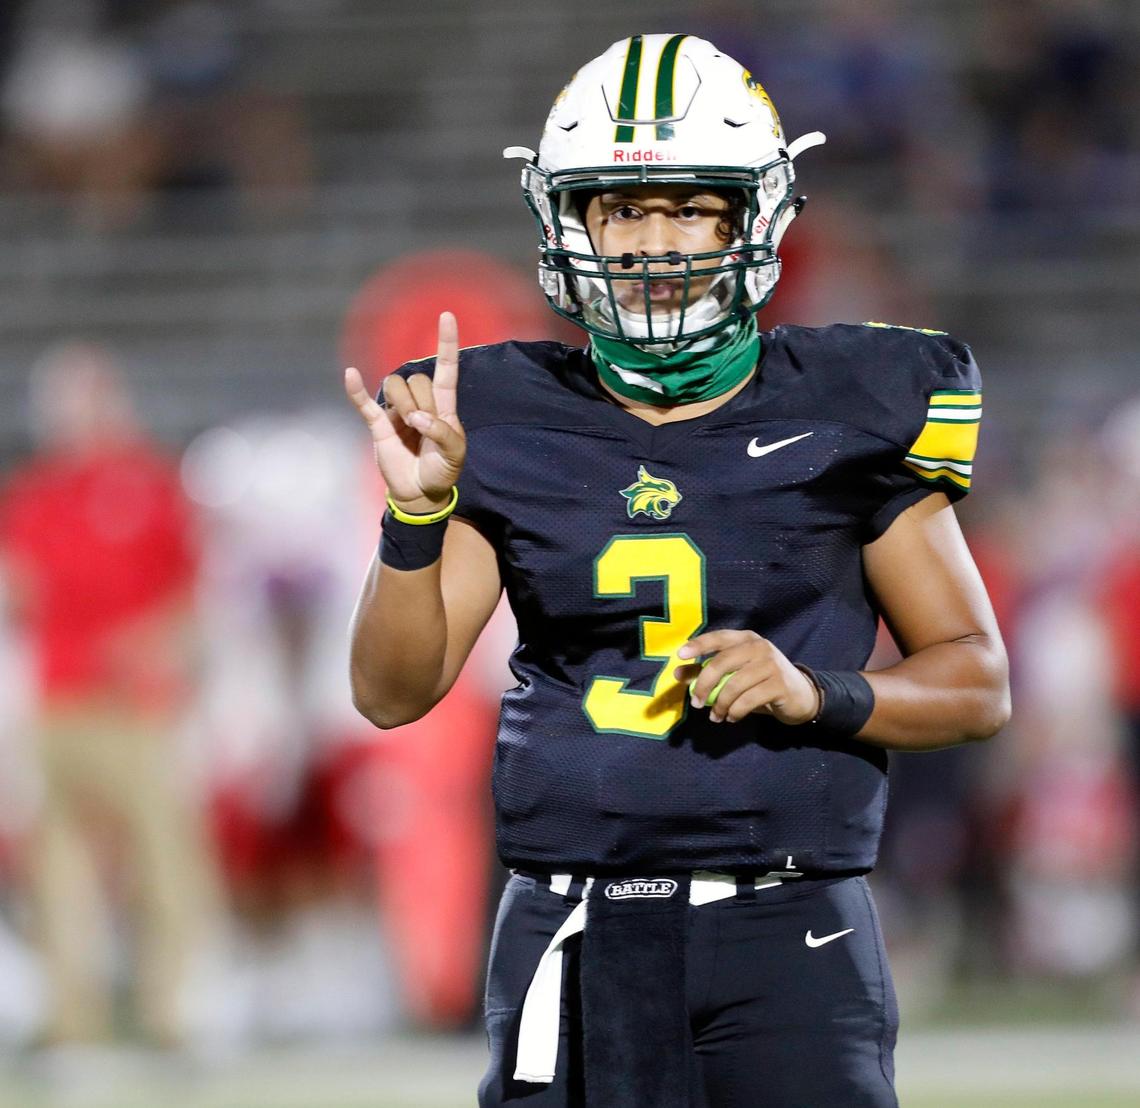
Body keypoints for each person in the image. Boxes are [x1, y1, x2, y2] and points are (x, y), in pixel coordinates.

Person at [345, 34, 1010, 1108]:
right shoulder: (502, 419)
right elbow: (389, 692)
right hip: (571, 922)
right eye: (621, 209)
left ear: (756, 218)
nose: (654, 243)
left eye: (691, 208)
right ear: (571, 221)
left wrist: (817, 691)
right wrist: (416, 517)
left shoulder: (852, 402)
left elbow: (978, 680)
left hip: (788, 928)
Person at [0, 342, 216, 1050]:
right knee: (58, 872)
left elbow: (192, 597)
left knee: (165, 862)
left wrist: (159, 646)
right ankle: (71, 1020)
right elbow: (16, 591)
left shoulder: (150, 484)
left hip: (136, 706)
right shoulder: (33, 495)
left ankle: (172, 1011)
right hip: (59, 703)